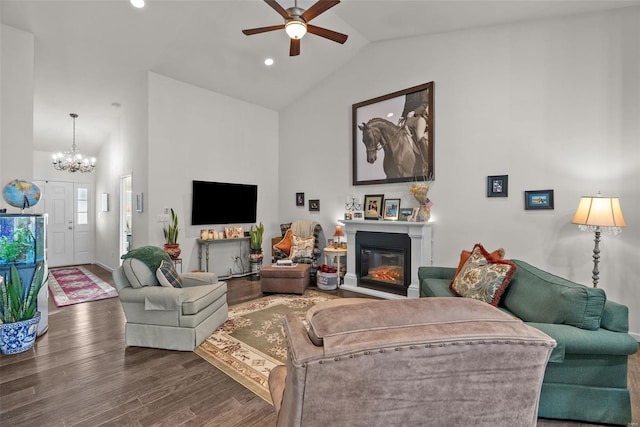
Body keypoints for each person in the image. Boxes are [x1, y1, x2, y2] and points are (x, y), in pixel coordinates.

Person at [398, 88, 430, 175]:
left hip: (420, 117)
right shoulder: (408, 93)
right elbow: (406, 106)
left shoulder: (422, 90)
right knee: (403, 135)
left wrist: (414, 112)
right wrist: (402, 116)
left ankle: (427, 163)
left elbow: (424, 104)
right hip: (409, 119)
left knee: (419, 135)